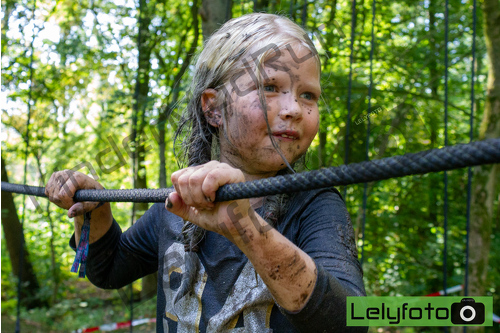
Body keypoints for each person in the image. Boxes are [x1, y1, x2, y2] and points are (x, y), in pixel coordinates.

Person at [45, 13, 366, 332]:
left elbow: (353, 321)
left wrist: (249, 230)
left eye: (308, 95)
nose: (294, 109)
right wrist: (95, 212)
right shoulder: (178, 206)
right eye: (269, 86)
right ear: (213, 107)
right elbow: (109, 271)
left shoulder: (316, 205)